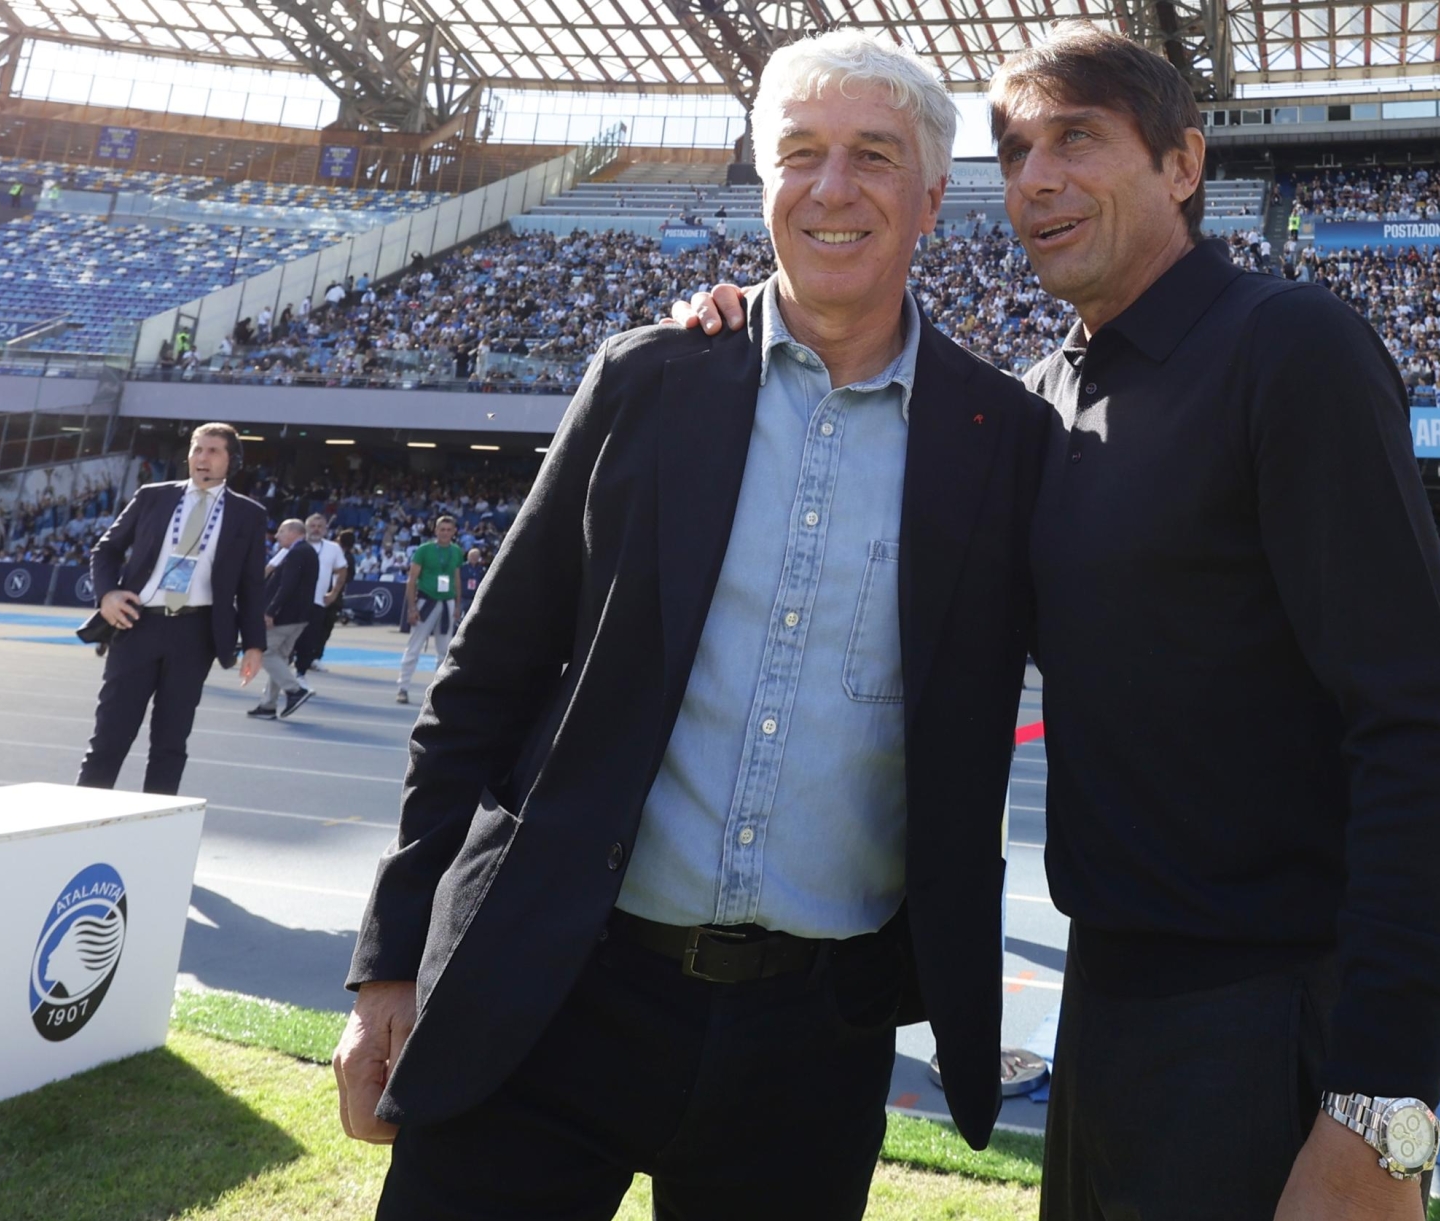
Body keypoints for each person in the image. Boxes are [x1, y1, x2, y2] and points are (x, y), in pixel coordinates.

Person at [672, 24, 1440, 1221]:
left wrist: (1385, 1106)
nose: (1036, 179)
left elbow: (1417, 730)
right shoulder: (1041, 403)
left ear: (1184, 165)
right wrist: (754, 331)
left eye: (1077, 139)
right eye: (1012, 153)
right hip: (1109, 1007)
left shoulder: (1288, 349)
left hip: (1269, 1014)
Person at [334, 31, 1050, 1221]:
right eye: (801, 154)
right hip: (557, 987)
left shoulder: (1006, 442)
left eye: (873, 156)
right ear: (761, 179)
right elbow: (485, 680)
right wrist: (391, 959)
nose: (832, 189)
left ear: (933, 196)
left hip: (814, 1039)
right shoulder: (649, 379)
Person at [77, 423, 266, 793]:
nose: (202, 458)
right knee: (110, 736)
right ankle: (79, 824)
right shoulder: (153, 496)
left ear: (232, 461)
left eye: (213, 451)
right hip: (136, 625)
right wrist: (107, 596)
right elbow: (107, 549)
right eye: (197, 449)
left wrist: (254, 643)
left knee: (170, 741)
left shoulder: (248, 514)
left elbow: (250, 585)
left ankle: (158, 831)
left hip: (195, 635)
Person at [251, 519, 319, 721]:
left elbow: (287, 586)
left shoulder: (298, 553)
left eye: (281, 531)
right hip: (299, 616)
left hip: (286, 616)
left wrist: (271, 611)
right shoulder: (307, 552)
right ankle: (268, 705)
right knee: (279, 658)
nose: (277, 535)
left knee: (265, 652)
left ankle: (295, 690)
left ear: (294, 532)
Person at [396, 515, 463, 705]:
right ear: (435, 531)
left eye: (449, 530)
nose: (445, 533)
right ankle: (403, 687)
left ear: (454, 532)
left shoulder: (456, 551)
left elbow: (457, 579)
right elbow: (412, 580)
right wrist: (411, 608)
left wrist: (457, 606)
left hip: (447, 603)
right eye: (442, 529)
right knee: (414, 647)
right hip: (426, 602)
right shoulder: (424, 550)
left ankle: (438, 692)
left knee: (445, 651)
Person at [293, 514, 349, 677]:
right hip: (292, 601)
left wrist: (334, 592)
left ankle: (300, 675)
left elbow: (342, 570)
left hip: (317, 601)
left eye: (319, 526)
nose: (316, 529)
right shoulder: (296, 545)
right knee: (288, 640)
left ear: (325, 529)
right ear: (305, 527)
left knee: (309, 639)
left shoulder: (333, 548)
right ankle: (280, 678)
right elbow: (272, 566)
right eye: (312, 526)